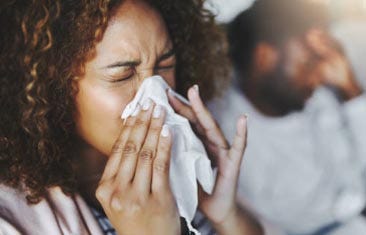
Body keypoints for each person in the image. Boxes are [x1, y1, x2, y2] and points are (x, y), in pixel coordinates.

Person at [0, 0, 263, 235]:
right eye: (122, 76)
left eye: (165, 66)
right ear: (54, 88)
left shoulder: (187, 174)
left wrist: (225, 214)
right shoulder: (11, 221)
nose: (156, 96)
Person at [208, 0, 366, 234]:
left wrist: (351, 92)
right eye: (307, 63)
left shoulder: (318, 90)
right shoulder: (226, 138)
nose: (318, 77)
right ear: (264, 58)